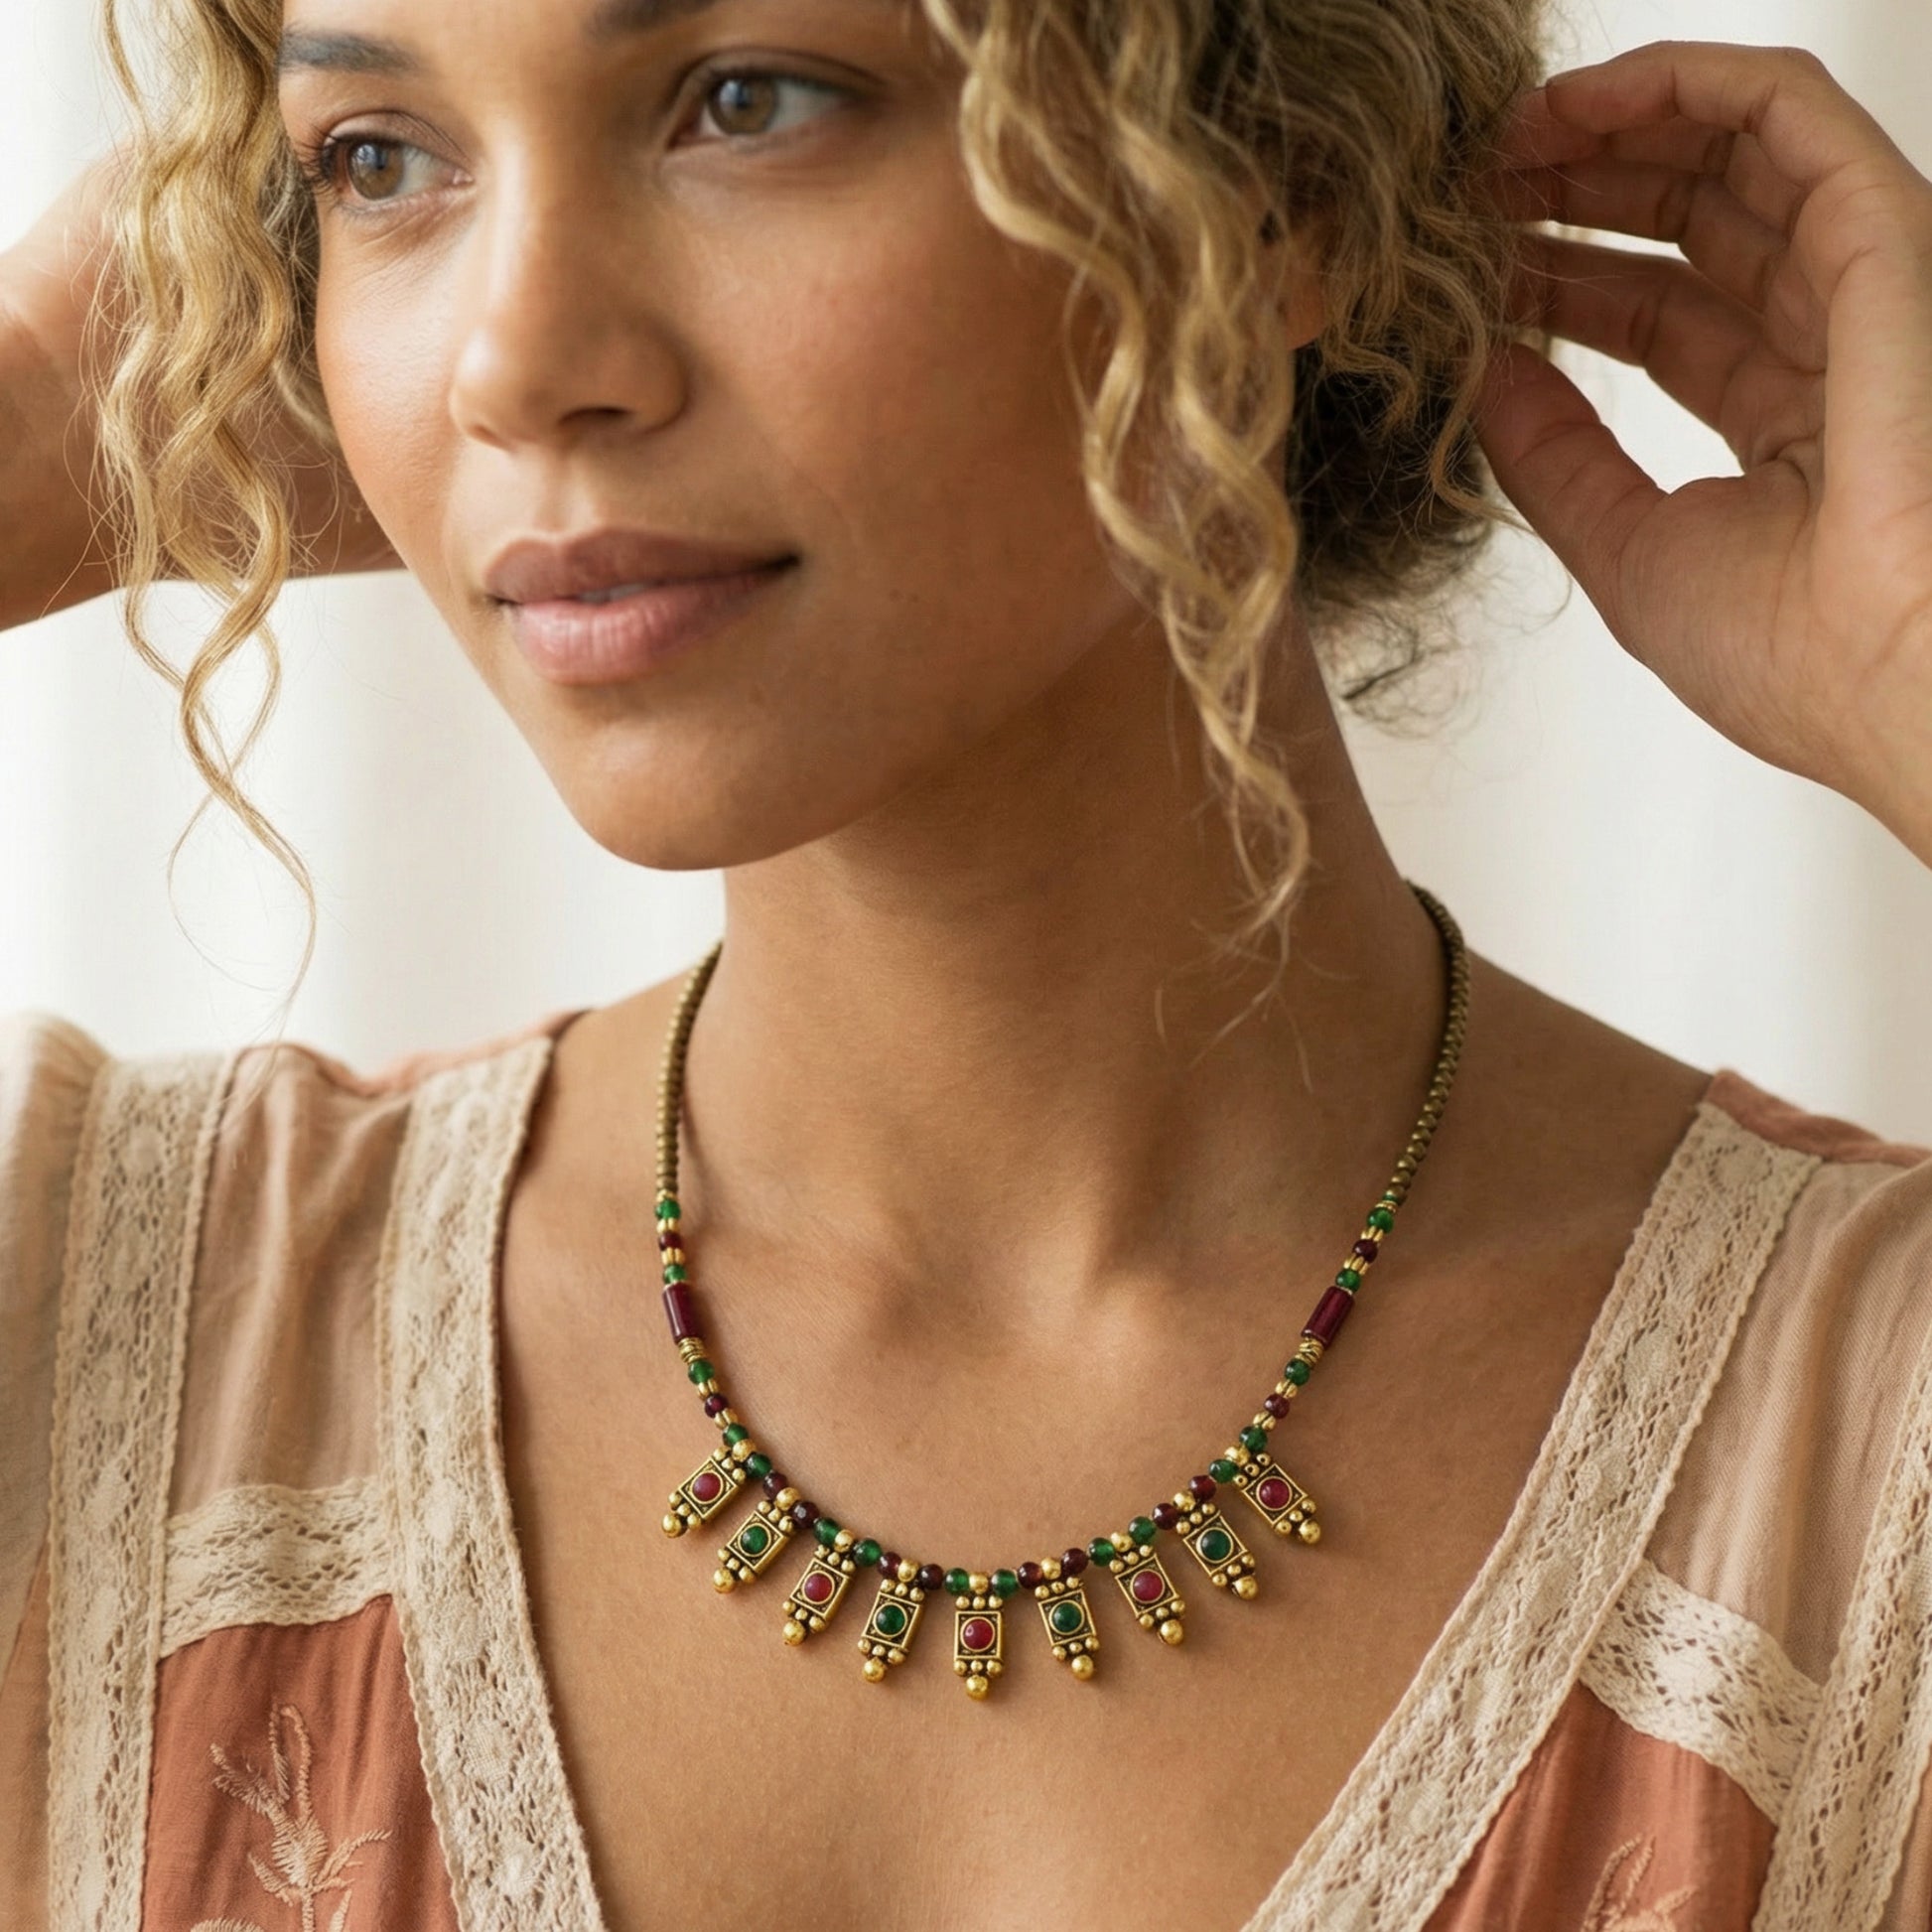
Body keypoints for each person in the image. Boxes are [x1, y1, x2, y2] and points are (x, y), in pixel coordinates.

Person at [2, 0, 1930, 1925]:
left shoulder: (1872, 1468)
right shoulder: (113, 1325)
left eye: (741, 103)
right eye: (380, 161)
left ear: (1276, 188)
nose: (513, 363)